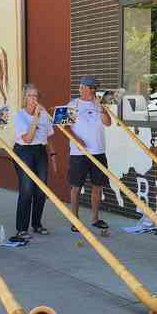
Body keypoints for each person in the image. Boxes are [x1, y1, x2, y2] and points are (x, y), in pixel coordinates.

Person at [10, 84, 58, 243]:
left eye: (36, 96)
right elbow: (27, 139)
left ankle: (37, 224)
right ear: (25, 98)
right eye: (30, 96)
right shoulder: (20, 116)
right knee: (27, 189)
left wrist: (53, 154)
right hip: (24, 151)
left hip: (40, 151)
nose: (34, 99)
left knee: (41, 190)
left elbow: (48, 137)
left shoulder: (44, 115)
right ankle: (21, 228)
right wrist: (36, 118)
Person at [67, 76, 112, 232]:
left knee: (97, 187)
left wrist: (101, 107)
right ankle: (75, 220)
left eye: (95, 88)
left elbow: (108, 123)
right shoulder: (73, 104)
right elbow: (65, 127)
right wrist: (77, 140)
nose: (93, 90)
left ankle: (95, 218)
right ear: (82, 88)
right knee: (76, 187)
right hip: (79, 153)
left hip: (98, 151)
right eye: (90, 87)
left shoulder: (99, 104)